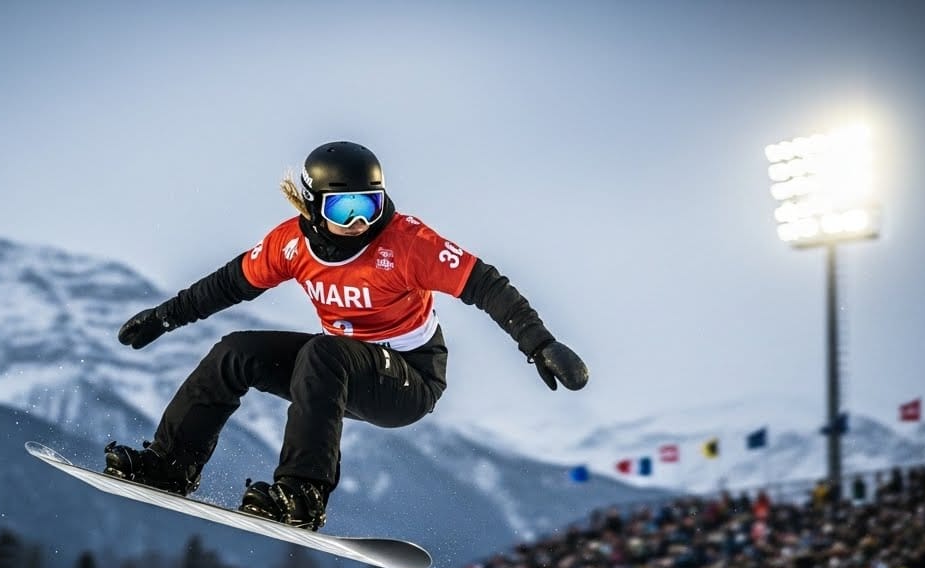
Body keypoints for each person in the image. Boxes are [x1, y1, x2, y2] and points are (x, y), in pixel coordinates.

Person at [106, 140, 588, 530]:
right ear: (313, 206)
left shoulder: (407, 243)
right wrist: (165, 317)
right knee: (235, 352)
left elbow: (486, 285)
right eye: (345, 208)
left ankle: (302, 494)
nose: (360, 223)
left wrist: (540, 344)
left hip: (409, 379)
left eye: (370, 205)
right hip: (335, 371)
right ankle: (171, 465)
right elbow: (229, 284)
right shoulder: (291, 244)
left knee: (324, 352)